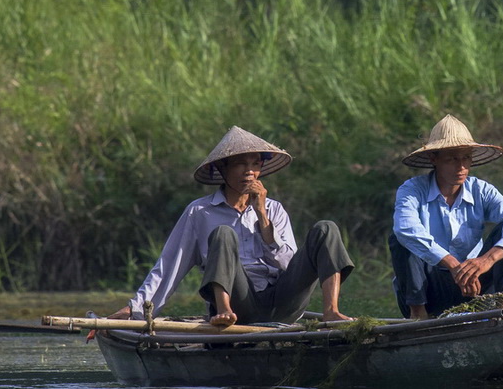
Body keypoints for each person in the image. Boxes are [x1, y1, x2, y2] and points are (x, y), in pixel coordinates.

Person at [107, 126, 355, 327]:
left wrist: (262, 216)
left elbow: (288, 266)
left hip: (281, 302)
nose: (249, 172)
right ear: (222, 169)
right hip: (238, 306)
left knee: (326, 228)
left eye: (255, 164)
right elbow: (169, 266)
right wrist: (135, 309)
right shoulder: (199, 212)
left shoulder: (275, 209)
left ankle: (331, 311)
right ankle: (223, 311)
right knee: (223, 234)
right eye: (239, 164)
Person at [390, 115, 503, 320]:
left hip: (474, 288)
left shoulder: (481, 190)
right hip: (429, 289)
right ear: (434, 159)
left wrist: (486, 260)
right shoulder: (413, 190)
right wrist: (454, 265)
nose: (460, 167)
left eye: (466, 158)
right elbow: (406, 229)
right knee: (401, 239)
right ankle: (418, 315)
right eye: (452, 159)